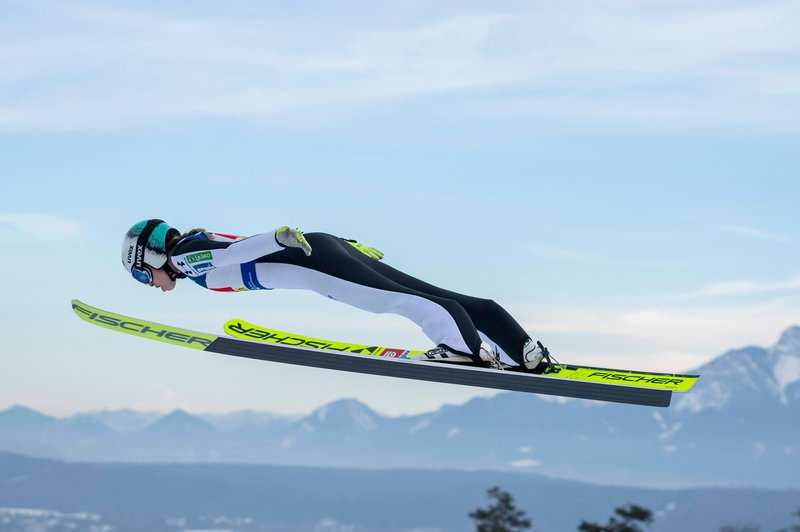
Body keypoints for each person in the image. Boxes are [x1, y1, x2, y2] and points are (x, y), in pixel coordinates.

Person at [121, 219, 549, 372]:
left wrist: (276, 236)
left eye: (144, 276)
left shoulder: (183, 256)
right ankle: (520, 349)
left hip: (311, 262)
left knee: (395, 300)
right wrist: (337, 243)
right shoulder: (194, 242)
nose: (153, 286)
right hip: (319, 247)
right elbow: (237, 248)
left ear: (152, 256)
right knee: (424, 291)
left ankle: (462, 348)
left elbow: (235, 251)